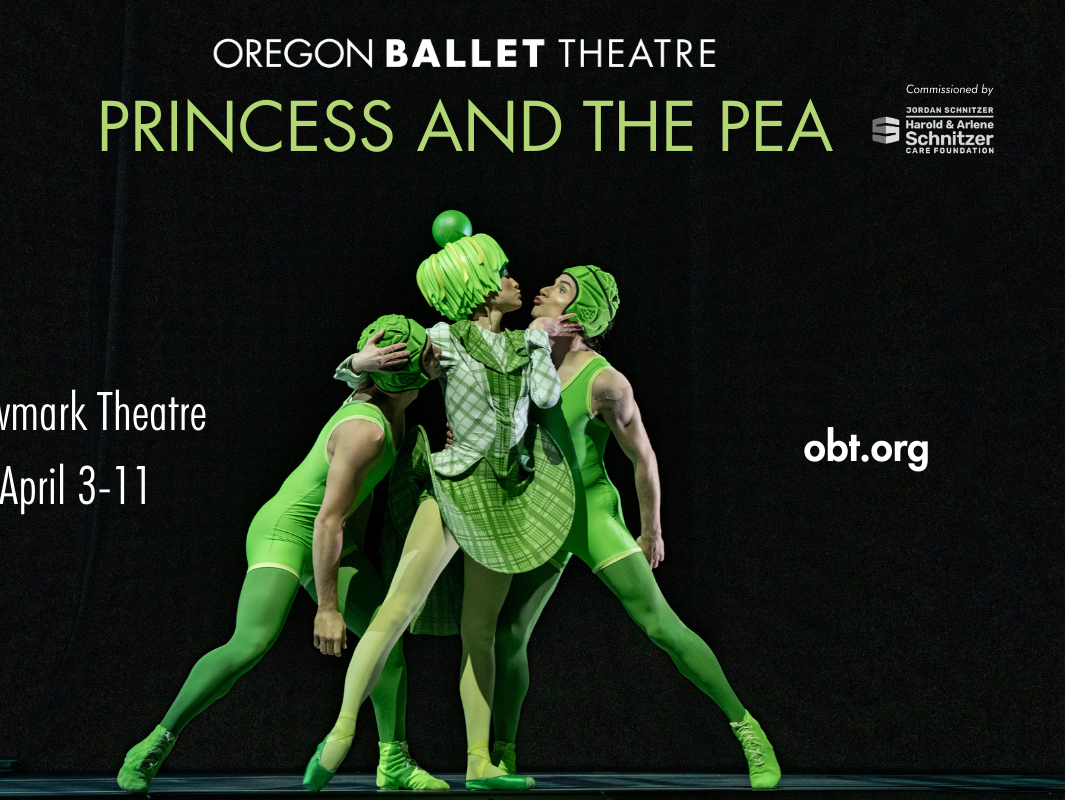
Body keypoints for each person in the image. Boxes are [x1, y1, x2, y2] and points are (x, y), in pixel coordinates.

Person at [304, 212, 583, 792]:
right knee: (395, 611)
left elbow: (545, 396)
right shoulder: (441, 339)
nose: (515, 280)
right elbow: (364, 372)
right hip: (455, 486)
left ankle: (480, 761)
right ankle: (341, 731)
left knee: (478, 629)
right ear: (478, 282)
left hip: (506, 495)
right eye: (503, 271)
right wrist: (358, 363)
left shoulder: (522, 342)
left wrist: (542, 344)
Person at [116, 316, 449, 794]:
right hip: (287, 529)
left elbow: (356, 501)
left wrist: (357, 362)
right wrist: (328, 607)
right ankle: (154, 742)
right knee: (251, 642)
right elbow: (325, 520)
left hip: (332, 538)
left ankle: (393, 761)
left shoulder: (388, 404)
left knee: (385, 638)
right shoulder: (366, 430)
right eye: (424, 353)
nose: (436, 353)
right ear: (404, 375)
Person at [484, 266, 781, 790]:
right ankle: (501, 756)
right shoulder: (523, 356)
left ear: (580, 315)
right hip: (544, 518)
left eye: (561, 289)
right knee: (508, 632)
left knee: (660, 626)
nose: (544, 291)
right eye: (552, 283)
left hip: (591, 516)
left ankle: (748, 730)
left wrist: (652, 531)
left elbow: (643, 458)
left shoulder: (605, 381)